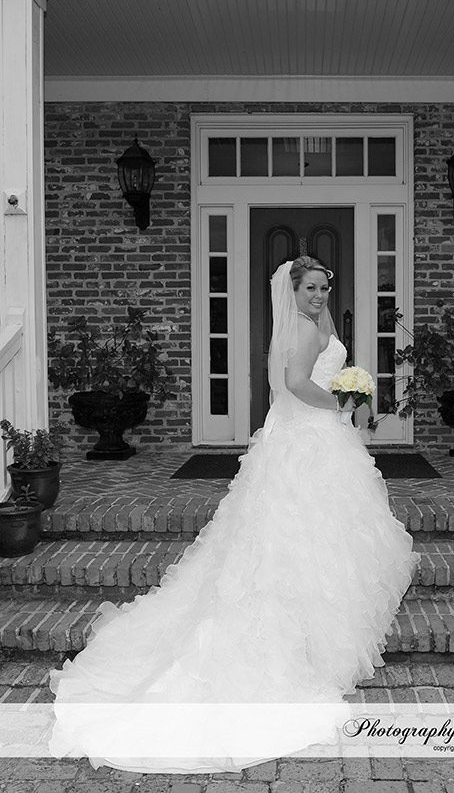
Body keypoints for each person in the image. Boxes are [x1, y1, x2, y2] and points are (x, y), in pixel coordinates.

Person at [48, 255, 420, 774]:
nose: (318, 296)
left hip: (310, 437)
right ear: (292, 292)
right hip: (308, 439)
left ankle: (310, 624)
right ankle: (300, 639)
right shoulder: (302, 331)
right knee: (299, 531)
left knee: (312, 533)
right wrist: (342, 402)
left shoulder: (316, 324)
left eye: (323, 287)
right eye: (310, 289)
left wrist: (347, 386)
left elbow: (318, 365)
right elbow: (295, 383)